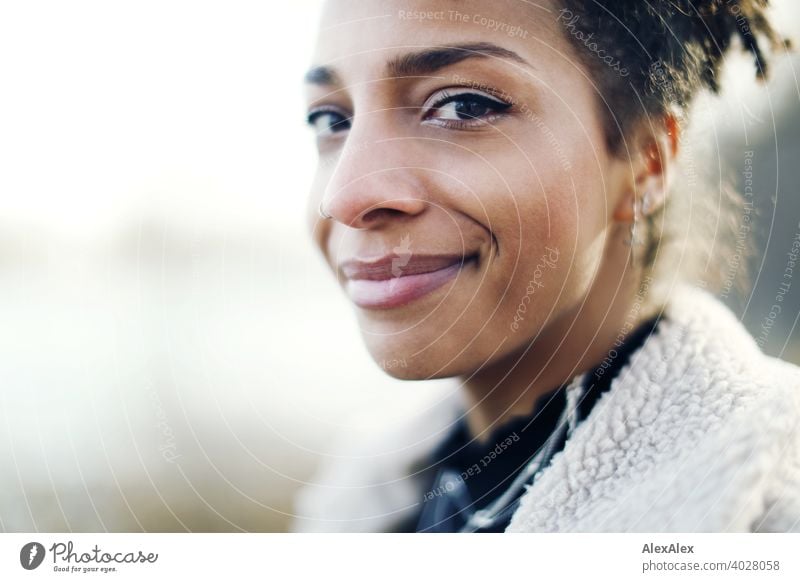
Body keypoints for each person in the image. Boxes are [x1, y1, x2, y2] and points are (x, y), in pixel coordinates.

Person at [292, 0, 800, 532]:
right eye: (332, 120)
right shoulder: (360, 506)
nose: (345, 196)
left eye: (463, 106)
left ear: (647, 161)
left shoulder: (762, 523)